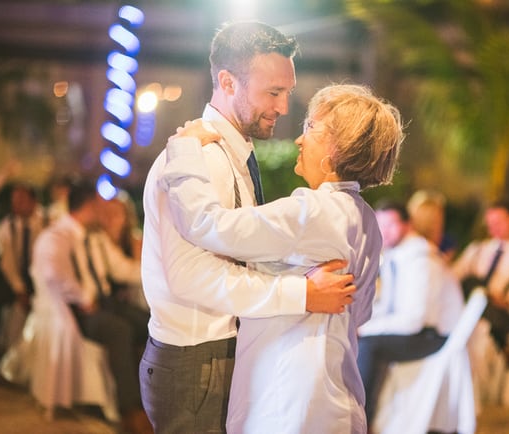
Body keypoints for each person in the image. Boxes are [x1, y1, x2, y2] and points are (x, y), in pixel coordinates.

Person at [140, 22, 356, 434]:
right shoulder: (200, 159)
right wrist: (303, 293)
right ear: (227, 82)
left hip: (210, 357)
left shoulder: (226, 153)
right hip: (196, 363)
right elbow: (190, 277)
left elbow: (242, 245)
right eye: (273, 92)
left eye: (287, 92)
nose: (284, 107)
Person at [159, 82, 403, 434]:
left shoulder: (313, 212)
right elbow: (360, 311)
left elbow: (206, 224)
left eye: (311, 129)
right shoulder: (365, 218)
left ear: (335, 148)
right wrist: (302, 292)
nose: (300, 140)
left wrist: (183, 148)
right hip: (338, 389)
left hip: (291, 395)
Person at [32, 180, 151, 434]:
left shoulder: (94, 236)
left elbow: (119, 268)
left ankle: (151, 394)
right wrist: (83, 298)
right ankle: (129, 409)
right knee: (120, 330)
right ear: (88, 205)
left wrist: (155, 273)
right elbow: (54, 274)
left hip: (106, 303)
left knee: (149, 322)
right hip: (78, 313)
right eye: (98, 204)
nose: (103, 209)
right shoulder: (59, 235)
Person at [356, 200, 464, 423]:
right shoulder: (399, 254)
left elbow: (414, 320)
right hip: (417, 330)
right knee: (358, 336)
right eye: (380, 225)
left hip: (434, 335)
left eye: (391, 225)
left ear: (408, 225)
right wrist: (359, 320)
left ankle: (363, 420)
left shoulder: (421, 259)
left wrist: (366, 329)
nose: (384, 232)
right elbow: (389, 306)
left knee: (369, 345)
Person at [451, 199, 509, 405]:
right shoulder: (477, 250)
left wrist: (508, 301)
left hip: (504, 326)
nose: (494, 227)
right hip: (472, 324)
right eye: (490, 222)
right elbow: (454, 278)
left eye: (499, 221)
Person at [0, 183, 45, 354]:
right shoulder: (8, 225)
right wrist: (20, 290)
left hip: (42, 282)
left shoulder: (46, 223)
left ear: (34, 202)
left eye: (22, 200)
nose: (17, 205)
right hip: (16, 283)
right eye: (14, 201)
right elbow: (7, 263)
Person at [407, 189, 457, 262]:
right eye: (433, 218)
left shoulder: (447, 242)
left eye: (440, 215)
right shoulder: (410, 243)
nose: (439, 221)